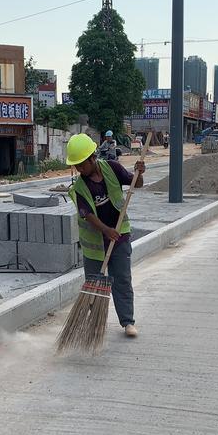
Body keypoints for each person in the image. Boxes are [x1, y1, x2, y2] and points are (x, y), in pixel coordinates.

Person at [67, 133, 145, 338]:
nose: (79, 169)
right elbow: (88, 215)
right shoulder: (79, 187)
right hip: (95, 241)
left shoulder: (113, 168)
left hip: (119, 235)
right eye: (76, 166)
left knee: (122, 279)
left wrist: (140, 173)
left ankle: (128, 322)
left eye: (82, 164)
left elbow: (136, 183)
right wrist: (105, 231)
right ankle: (96, 324)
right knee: (95, 284)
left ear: (93, 158)